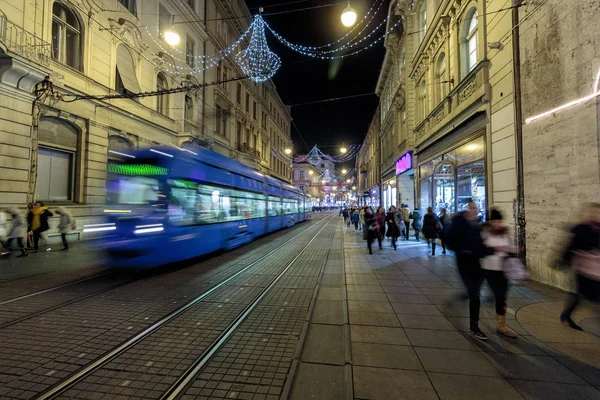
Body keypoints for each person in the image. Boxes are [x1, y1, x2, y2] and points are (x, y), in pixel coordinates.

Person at [446, 199, 491, 340]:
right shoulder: (459, 222)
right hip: (464, 262)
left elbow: (482, 243)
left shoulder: (478, 224)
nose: (474, 210)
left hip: (477, 262)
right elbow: (449, 239)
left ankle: (467, 295)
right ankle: (474, 326)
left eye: (475, 208)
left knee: (474, 291)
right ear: (466, 209)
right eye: (472, 207)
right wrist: (462, 250)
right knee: (474, 294)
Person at [560, 203, 600, 331]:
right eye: (594, 213)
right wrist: (563, 261)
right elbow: (570, 246)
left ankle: (567, 314)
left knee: (592, 296)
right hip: (582, 268)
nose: (596, 216)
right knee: (580, 295)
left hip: (596, 270)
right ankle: (567, 314)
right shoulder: (581, 228)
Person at [481, 209, 517, 338]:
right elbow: (480, 249)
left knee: (502, 296)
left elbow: (510, 249)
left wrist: (511, 250)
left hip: (503, 269)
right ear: (491, 221)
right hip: (489, 269)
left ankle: (501, 325)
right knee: (498, 294)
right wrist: (493, 249)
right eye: (495, 221)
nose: (498, 223)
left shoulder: (505, 233)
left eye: (500, 221)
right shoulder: (485, 232)